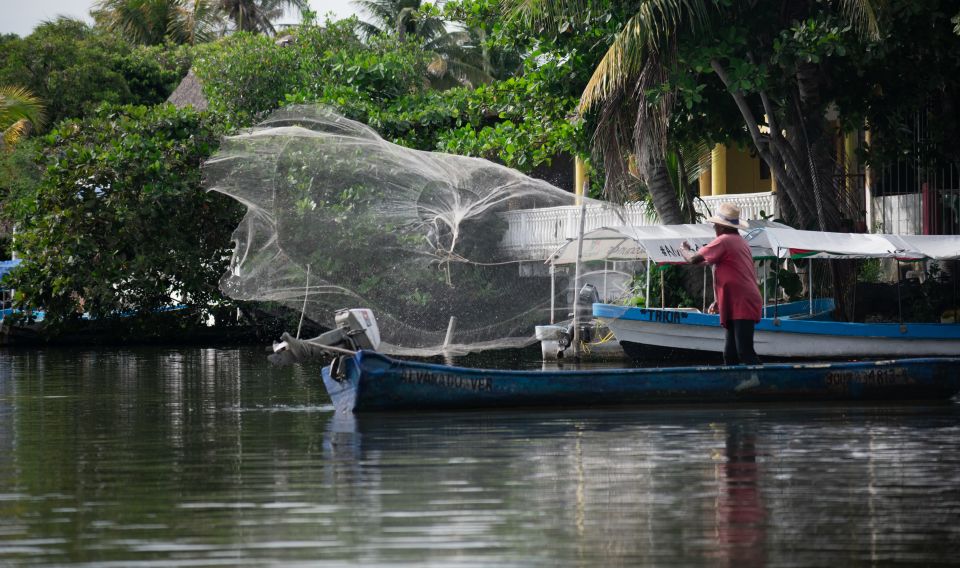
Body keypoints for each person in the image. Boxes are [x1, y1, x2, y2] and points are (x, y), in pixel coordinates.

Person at [681, 203, 762, 365]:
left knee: (744, 352)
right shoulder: (739, 241)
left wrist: (683, 249)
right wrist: (719, 300)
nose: (714, 228)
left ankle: (759, 382)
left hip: (742, 301)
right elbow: (729, 270)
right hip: (739, 300)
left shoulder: (724, 240)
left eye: (715, 225)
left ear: (721, 227)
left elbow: (693, 258)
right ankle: (734, 385)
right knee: (730, 354)